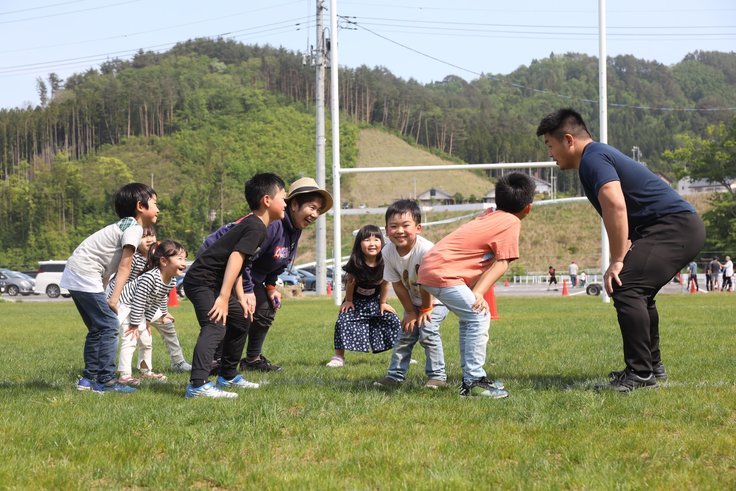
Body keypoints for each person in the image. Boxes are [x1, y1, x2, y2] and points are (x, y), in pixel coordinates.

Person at [537, 108, 705, 392]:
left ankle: (640, 374)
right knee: (637, 289)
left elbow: (615, 204)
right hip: (675, 227)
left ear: (568, 140)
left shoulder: (593, 158)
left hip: (675, 227)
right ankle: (651, 367)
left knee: (626, 286)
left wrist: (617, 261)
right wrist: (622, 254)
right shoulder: (595, 158)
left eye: (550, 146)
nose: (550, 154)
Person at [418, 172, 535, 398]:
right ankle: (472, 382)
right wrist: (479, 292)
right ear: (528, 208)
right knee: (479, 315)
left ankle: (471, 378)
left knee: (469, 318)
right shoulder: (510, 221)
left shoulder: (490, 214)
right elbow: (502, 263)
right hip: (443, 273)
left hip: (431, 268)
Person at [201, 177, 333, 373]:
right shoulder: (273, 225)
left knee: (266, 306)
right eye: (312, 207)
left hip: (244, 273)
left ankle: (252, 360)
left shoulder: (294, 228)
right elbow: (242, 256)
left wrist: (270, 287)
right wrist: (246, 291)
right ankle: (215, 361)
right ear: (294, 204)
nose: (315, 214)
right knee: (236, 312)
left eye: (318, 211)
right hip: (219, 268)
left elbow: (279, 261)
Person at [183, 173, 287, 399]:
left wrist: (240, 297)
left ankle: (227, 375)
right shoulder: (256, 227)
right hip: (202, 281)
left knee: (241, 318)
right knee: (216, 325)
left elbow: (241, 263)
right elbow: (236, 258)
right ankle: (197, 385)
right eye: (284, 198)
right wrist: (223, 297)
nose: (286, 203)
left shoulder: (259, 226)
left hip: (214, 282)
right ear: (267, 200)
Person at [61, 182, 159, 394]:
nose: (158, 209)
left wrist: (105, 293)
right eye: (154, 203)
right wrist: (113, 300)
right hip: (84, 273)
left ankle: (88, 379)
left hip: (77, 273)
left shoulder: (123, 225)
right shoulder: (134, 228)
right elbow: (125, 264)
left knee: (98, 328)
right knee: (109, 326)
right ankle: (104, 381)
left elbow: (107, 267)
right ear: (140, 206)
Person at [373, 199, 449, 389]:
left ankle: (437, 377)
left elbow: (426, 284)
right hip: (415, 301)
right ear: (386, 229)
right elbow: (397, 284)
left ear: (418, 228)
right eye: (393, 226)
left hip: (436, 298)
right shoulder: (387, 252)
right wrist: (409, 312)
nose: (399, 231)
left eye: (406, 225)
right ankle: (395, 377)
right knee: (405, 335)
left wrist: (424, 309)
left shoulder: (426, 250)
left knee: (428, 332)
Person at [108, 227, 192, 373]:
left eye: (151, 235)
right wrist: (138, 321)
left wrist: (161, 314)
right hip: (126, 300)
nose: (149, 239)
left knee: (164, 327)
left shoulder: (161, 264)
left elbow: (161, 295)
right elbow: (134, 291)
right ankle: (107, 369)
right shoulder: (132, 258)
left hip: (145, 302)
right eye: (143, 236)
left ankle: (176, 363)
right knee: (120, 334)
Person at [327, 224, 401, 368]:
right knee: (342, 321)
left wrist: (383, 303)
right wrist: (348, 301)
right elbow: (350, 283)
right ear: (359, 244)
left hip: (376, 301)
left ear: (382, 242)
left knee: (393, 321)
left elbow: (385, 284)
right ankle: (338, 357)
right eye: (367, 240)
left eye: (376, 239)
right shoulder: (356, 263)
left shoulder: (386, 262)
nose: (372, 244)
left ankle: (401, 355)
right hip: (355, 301)